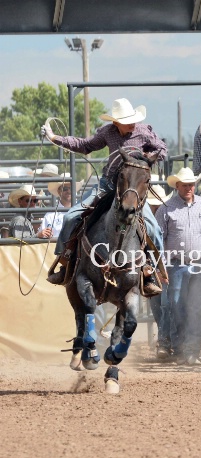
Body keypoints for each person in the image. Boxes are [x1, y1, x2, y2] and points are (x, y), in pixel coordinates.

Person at [41, 97, 168, 295]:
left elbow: (162, 149)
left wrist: (148, 158)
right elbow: (85, 145)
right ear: (116, 122)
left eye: (133, 119)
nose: (132, 123)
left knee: (153, 228)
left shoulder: (144, 132)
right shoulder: (107, 132)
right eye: (127, 121)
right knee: (71, 216)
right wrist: (55, 138)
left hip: (132, 189)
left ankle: (151, 270)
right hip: (108, 185)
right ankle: (65, 262)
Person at [155, 167, 201, 366]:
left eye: (191, 184)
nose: (189, 187)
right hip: (175, 264)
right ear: (177, 185)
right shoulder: (166, 208)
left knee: (197, 307)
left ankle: (192, 350)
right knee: (177, 307)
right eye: (185, 184)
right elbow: (158, 241)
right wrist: (161, 268)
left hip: (200, 263)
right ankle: (181, 349)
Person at [147, 182, 173, 359]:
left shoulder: (165, 217)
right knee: (158, 307)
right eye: (153, 204)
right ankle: (165, 341)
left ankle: (165, 341)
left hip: (169, 266)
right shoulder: (147, 221)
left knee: (166, 305)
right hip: (152, 268)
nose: (156, 207)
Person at [37, 165, 72, 240]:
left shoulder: (83, 211)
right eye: (65, 189)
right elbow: (41, 236)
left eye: (71, 188)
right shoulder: (50, 215)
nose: (69, 191)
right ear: (59, 191)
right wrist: (41, 234)